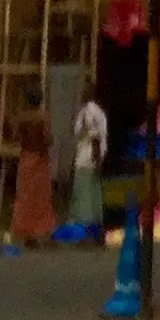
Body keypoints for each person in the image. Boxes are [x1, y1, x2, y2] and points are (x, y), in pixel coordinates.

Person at [9, 85, 56, 247]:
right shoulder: (43, 118)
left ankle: (26, 233)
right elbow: (47, 139)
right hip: (40, 159)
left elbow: (16, 136)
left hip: (25, 158)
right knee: (41, 198)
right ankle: (41, 232)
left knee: (25, 196)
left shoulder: (21, 118)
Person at [70, 85, 109, 239]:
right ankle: (94, 230)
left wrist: (96, 159)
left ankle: (85, 230)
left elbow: (94, 137)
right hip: (91, 158)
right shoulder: (96, 111)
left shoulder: (89, 111)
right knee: (93, 194)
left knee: (84, 194)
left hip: (87, 159)